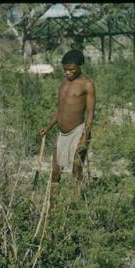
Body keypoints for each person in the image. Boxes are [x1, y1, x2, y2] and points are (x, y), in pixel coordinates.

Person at [40, 49, 96, 208]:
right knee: (55, 172)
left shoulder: (87, 84)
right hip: (62, 134)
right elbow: (60, 109)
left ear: (80, 66)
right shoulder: (63, 84)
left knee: (76, 170)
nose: (68, 72)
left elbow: (91, 113)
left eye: (72, 69)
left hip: (78, 132)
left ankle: (76, 205)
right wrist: (48, 127)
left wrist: (85, 135)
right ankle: (52, 207)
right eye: (65, 69)